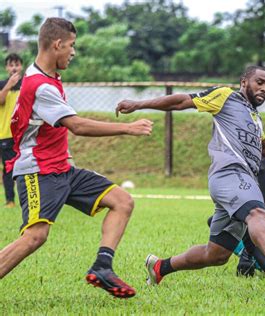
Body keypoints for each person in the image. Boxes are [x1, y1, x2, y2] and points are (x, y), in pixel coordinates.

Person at [116, 66, 265, 285]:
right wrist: (138, 104)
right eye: (259, 82)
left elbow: (262, 146)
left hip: (239, 183)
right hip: (230, 174)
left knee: (217, 254)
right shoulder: (225, 96)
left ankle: (160, 267)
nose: (264, 88)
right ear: (243, 82)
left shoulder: (255, 117)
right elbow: (181, 101)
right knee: (258, 212)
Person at [0, 18, 154, 299]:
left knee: (122, 201)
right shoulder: (40, 86)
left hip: (62, 169)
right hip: (38, 172)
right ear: (57, 44)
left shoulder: (48, 79)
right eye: (71, 46)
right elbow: (78, 126)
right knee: (35, 236)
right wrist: (127, 128)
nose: (73, 52)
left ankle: (102, 267)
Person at [0, 53, 23, 208]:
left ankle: (26, 199)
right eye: (11, 65)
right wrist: (9, 85)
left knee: (24, 168)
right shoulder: (2, 84)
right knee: (8, 169)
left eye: (17, 64)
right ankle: (10, 200)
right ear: (6, 67)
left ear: (21, 66)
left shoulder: (26, 84)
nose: (14, 68)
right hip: (5, 134)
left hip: (22, 134)